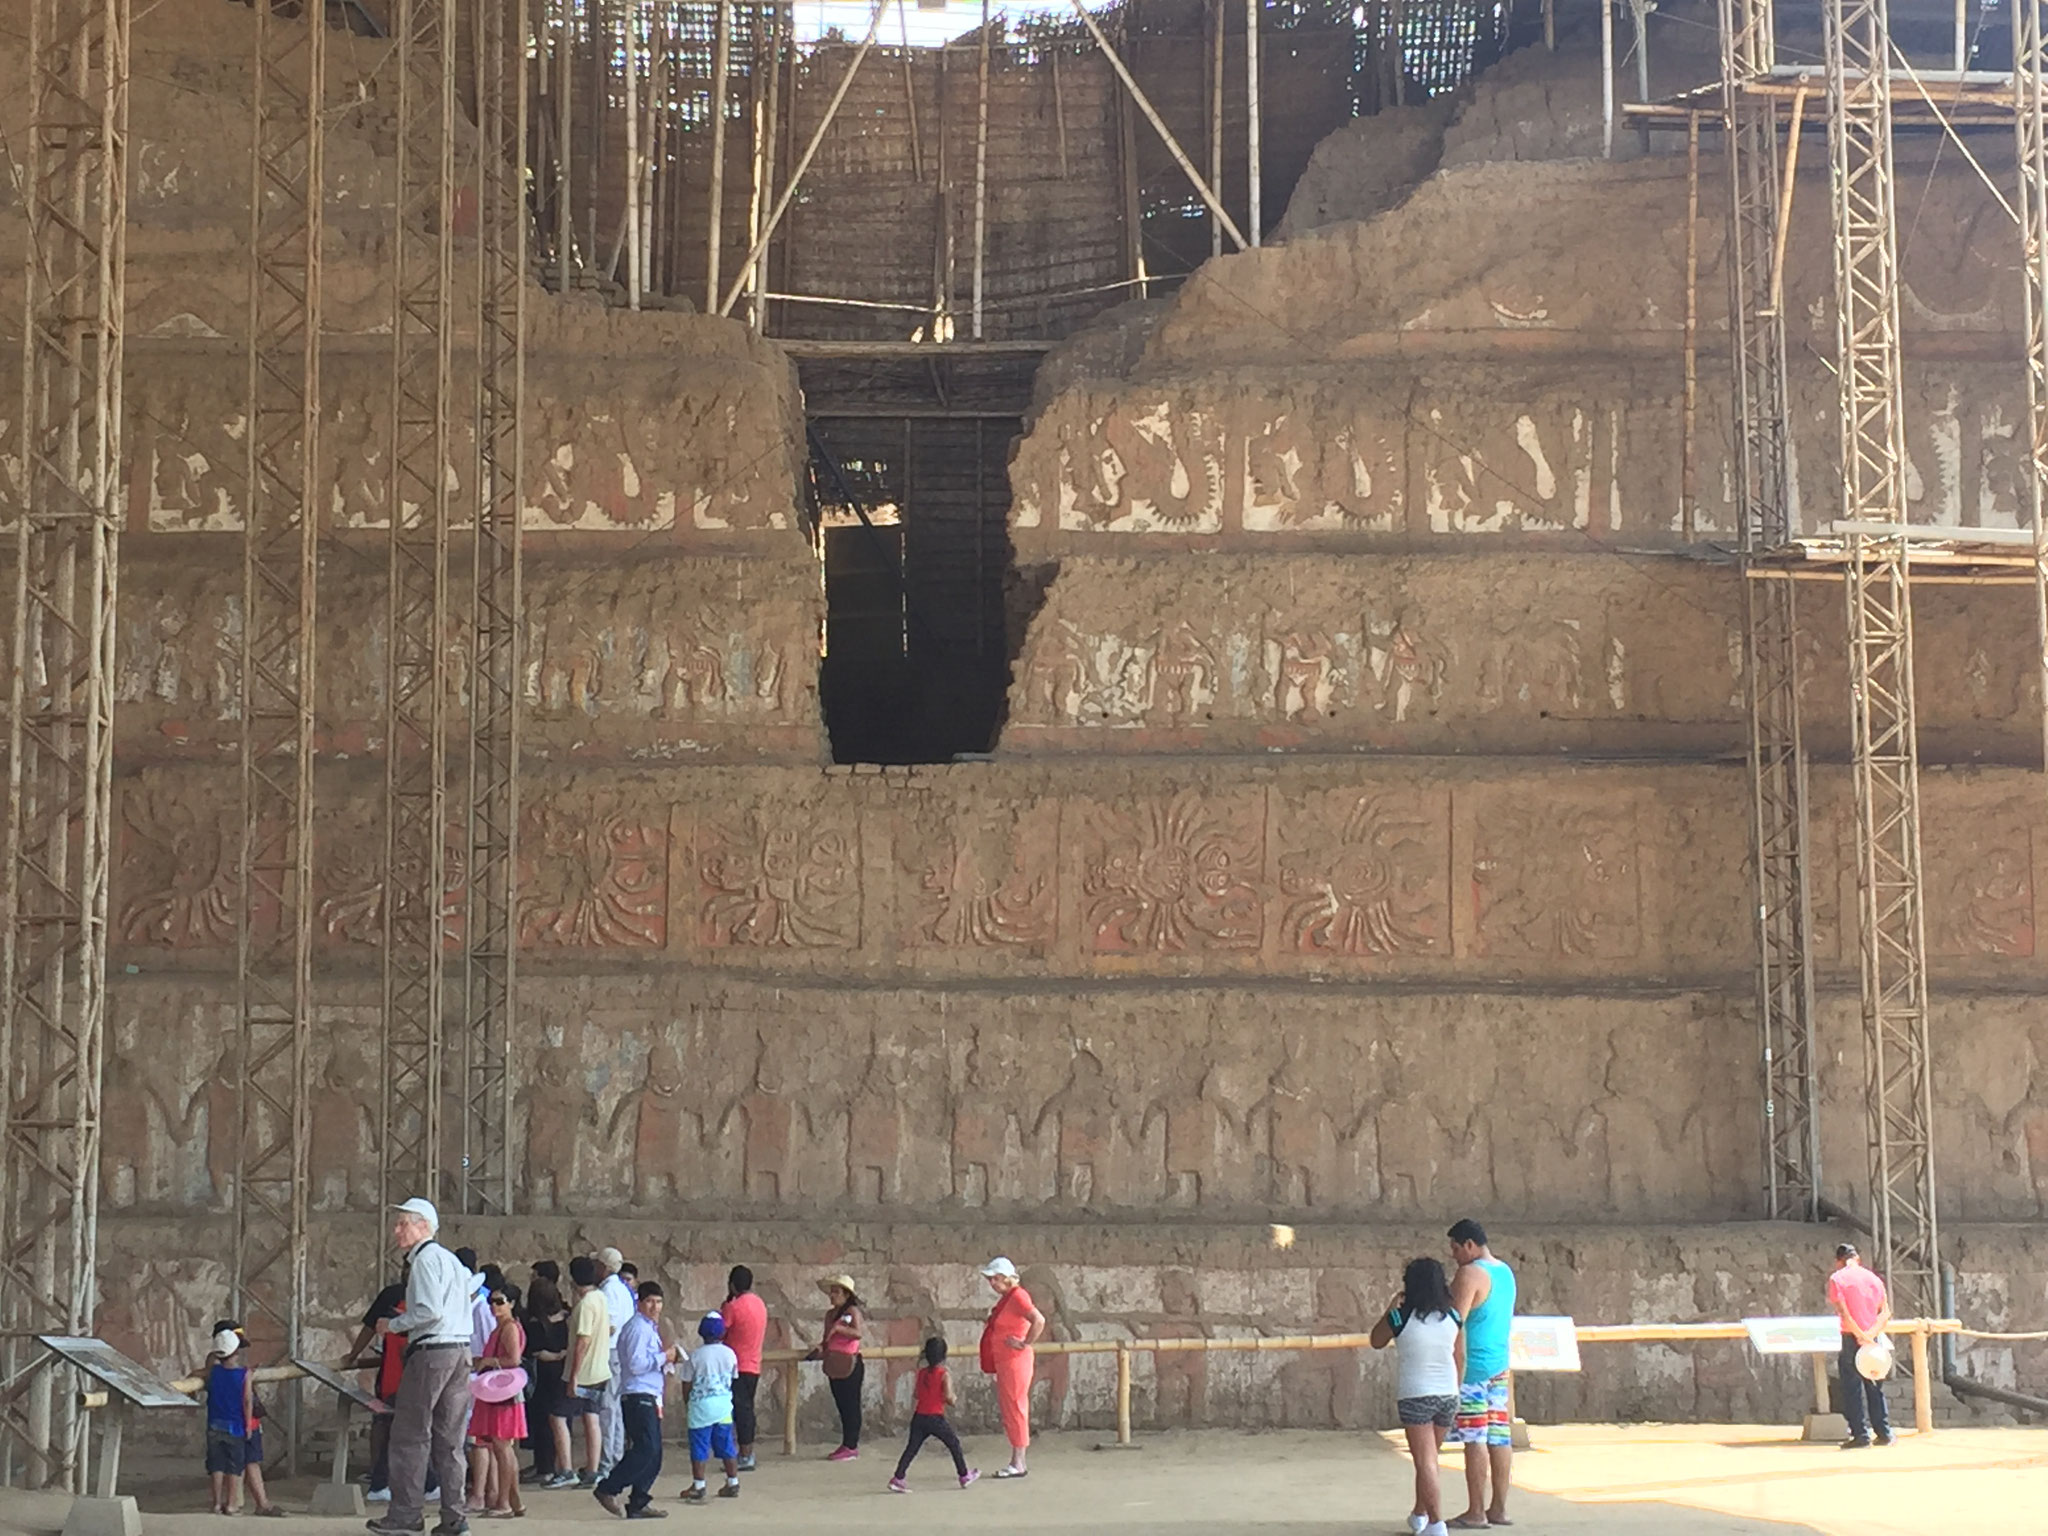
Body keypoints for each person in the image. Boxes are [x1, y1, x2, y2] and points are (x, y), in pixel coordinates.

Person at [368, 1197, 475, 1536]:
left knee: (409, 1435)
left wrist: (393, 1325)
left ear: (424, 1226)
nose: (397, 1230)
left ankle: (406, 1514)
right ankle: (454, 1517)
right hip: (460, 1350)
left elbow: (429, 1312)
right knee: (450, 1440)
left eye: (404, 1223)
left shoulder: (426, 1260)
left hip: (431, 1351)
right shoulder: (451, 1261)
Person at [1371, 1258, 1464, 1536]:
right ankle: (1419, 1513)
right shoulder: (1454, 1316)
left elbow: (1376, 1340)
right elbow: (1460, 1355)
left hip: (1416, 1394)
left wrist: (1390, 1308)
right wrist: (1455, 1389)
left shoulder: (1400, 1317)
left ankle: (1437, 1523)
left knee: (1425, 1462)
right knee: (1430, 1458)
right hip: (1448, 1392)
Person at [1445, 1218, 1516, 1532]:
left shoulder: (1469, 1273)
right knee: (1499, 1437)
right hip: (1499, 1366)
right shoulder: (1505, 1272)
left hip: (1472, 1368)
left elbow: (1453, 1324)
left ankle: (1476, 1510)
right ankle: (1497, 1507)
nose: (1454, 1255)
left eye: (1456, 1248)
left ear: (1470, 1245)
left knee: (1474, 1439)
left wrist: (1453, 1369)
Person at [595, 1281, 676, 1519]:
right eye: (649, 1301)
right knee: (645, 1447)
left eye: (658, 1301)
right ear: (639, 1303)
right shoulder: (638, 1328)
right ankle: (609, 1487)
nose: (655, 1306)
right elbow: (636, 1364)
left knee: (654, 1452)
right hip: (638, 1393)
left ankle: (639, 1500)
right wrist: (664, 1357)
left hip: (648, 1393)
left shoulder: (649, 1327)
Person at [201, 1322, 284, 1517]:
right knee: (239, 1464)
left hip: (219, 1424)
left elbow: (206, 1372)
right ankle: (240, 1504)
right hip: (241, 1424)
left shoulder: (215, 1371)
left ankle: (221, 1503)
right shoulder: (241, 1374)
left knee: (221, 1464)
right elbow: (247, 1401)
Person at [977, 1258, 1045, 1479]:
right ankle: (1017, 1459)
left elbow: (1039, 1320)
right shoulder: (1008, 1298)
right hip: (1006, 1360)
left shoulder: (1018, 1296)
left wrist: (1025, 1343)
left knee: (1016, 1407)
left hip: (1015, 1359)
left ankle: (1018, 1461)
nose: (992, 1283)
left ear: (1006, 1278)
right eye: (991, 1279)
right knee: (1011, 1407)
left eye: (995, 1278)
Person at [888, 1337, 978, 1493]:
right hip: (935, 1417)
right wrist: (954, 1400)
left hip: (919, 1416)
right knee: (954, 1444)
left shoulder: (921, 1373)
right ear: (944, 1355)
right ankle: (964, 1475)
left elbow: (916, 1394)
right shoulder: (944, 1374)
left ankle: (898, 1477)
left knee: (911, 1448)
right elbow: (949, 1397)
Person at [467, 1286, 528, 1519]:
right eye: (492, 1301)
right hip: (498, 1391)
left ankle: (504, 1502)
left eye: (500, 1302)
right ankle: (513, 1500)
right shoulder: (500, 1327)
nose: (494, 1306)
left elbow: (513, 1359)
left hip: (504, 1392)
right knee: (502, 1448)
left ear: (511, 1303)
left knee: (502, 1447)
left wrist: (486, 1361)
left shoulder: (509, 1327)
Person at [1828, 1243, 1895, 1449]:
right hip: (1873, 1338)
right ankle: (1884, 1432)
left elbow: (1844, 1313)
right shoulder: (1874, 1279)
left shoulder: (1837, 1279)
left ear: (1839, 1261)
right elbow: (1885, 1312)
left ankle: (1860, 1434)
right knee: (1875, 1386)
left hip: (1851, 1337)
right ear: (1857, 1258)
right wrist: (1870, 1335)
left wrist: (1858, 1335)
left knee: (1852, 1388)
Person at [346, 1282, 408, 1503]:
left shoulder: (401, 1308)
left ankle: (424, 1482)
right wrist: (353, 1355)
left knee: (399, 1433)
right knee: (395, 1433)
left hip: (398, 1381)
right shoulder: (400, 1305)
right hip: (401, 1383)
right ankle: (381, 1481)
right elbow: (371, 1327)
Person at [676, 1313, 741, 1503]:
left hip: (701, 1408)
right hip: (723, 1407)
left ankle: (699, 1485)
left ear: (701, 1333)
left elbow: (687, 1383)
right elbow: (733, 1378)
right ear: (722, 1333)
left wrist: (688, 1403)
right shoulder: (730, 1353)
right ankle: (732, 1482)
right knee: (727, 1444)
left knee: (699, 1445)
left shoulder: (695, 1356)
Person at [523, 1267, 573, 1488]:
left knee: (543, 1420)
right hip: (562, 1371)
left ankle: (545, 1467)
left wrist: (551, 1355)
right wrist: (562, 1354)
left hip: (544, 1374)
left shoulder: (535, 1323)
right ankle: (558, 1463)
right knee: (562, 1418)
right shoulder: (566, 1318)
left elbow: (535, 1352)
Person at [565, 1254, 611, 1489]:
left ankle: (585, 1468)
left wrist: (573, 1375)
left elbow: (582, 1341)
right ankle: (593, 1467)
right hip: (600, 1368)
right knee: (592, 1418)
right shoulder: (600, 1298)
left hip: (585, 1372)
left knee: (571, 1416)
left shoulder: (585, 1305)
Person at [812, 1275, 866, 1461]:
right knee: (841, 1404)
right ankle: (846, 1443)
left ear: (846, 1294)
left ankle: (852, 1445)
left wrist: (839, 1330)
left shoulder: (852, 1311)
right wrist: (821, 1347)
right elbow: (827, 1337)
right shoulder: (830, 1315)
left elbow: (858, 1333)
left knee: (852, 1404)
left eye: (836, 1292)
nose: (832, 1296)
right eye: (831, 1292)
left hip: (850, 1361)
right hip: (834, 1361)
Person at [720, 1267, 766, 1473]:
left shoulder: (734, 1306)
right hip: (754, 1363)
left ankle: (744, 1454)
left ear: (732, 1285)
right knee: (746, 1409)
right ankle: (747, 1452)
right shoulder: (759, 1303)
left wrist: (724, 1306)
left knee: (739, 1411)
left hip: (735, 1365)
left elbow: (721, 1330)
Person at [595, 1248, 635, 1477]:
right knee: (615, 1407)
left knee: (608, 1408)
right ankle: (615, 1456)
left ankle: (608, 1460)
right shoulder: (622, 1288)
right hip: (620, 1351)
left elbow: (609, 1325)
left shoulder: (609, 1290)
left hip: (610, 1351)